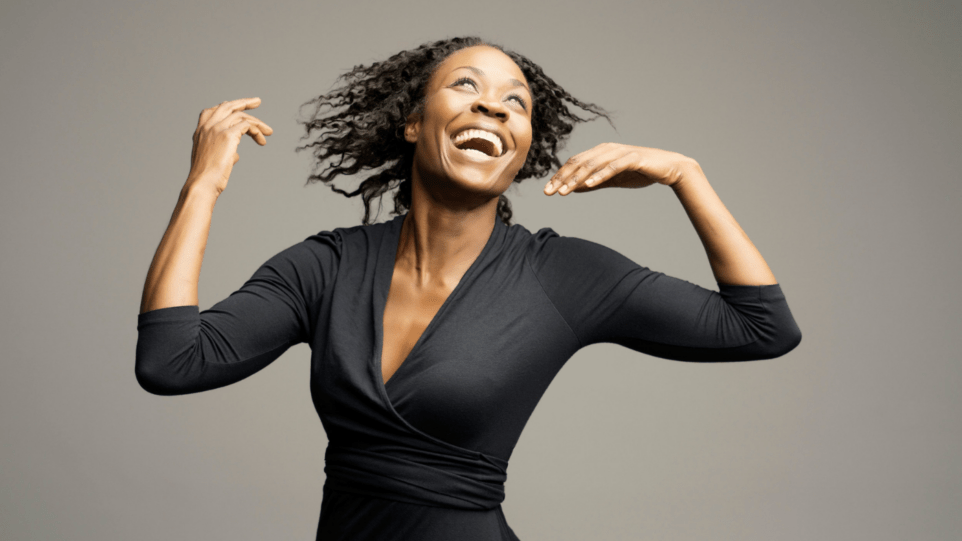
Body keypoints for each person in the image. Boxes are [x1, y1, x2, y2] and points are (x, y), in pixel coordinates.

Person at [136, 36, 802, 541]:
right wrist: (203, 186)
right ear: (413, 123)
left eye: (516, 102)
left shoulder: (561, 276)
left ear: (523, 146)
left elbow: (764, 327)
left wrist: (687, 176)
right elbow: (171, 362)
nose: (494, 104)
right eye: (466, 85)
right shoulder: (325, 267)